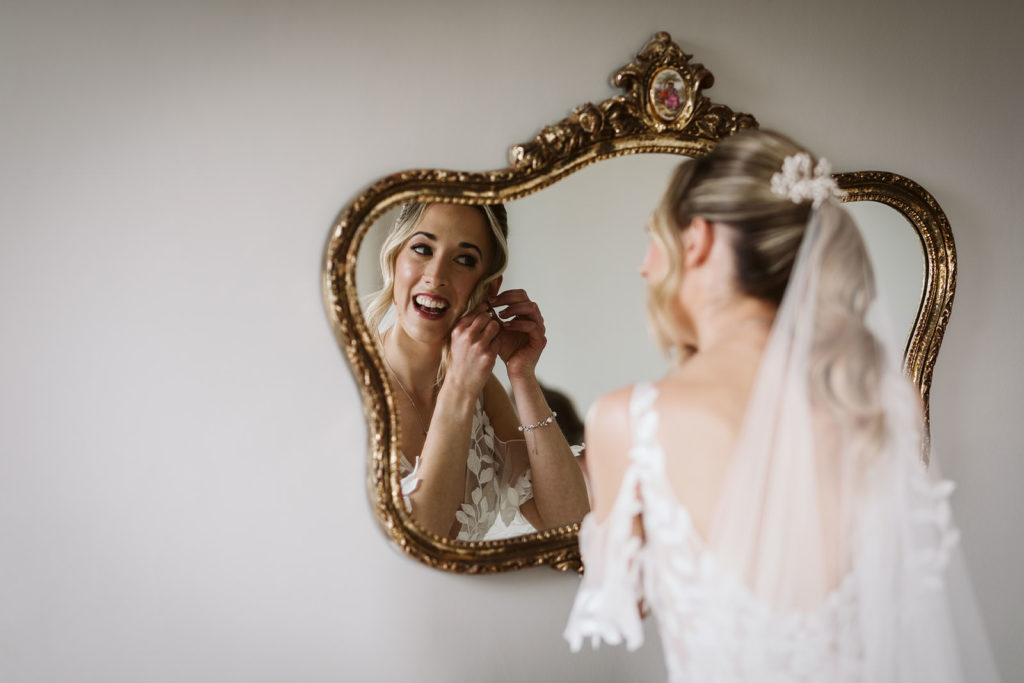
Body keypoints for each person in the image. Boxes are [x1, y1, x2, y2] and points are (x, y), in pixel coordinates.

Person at [564, 130, 1000, 681]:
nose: (644, 266)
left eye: (653, 239)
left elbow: (622, 597)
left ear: (696, 241)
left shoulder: (631, 420)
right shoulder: (877, 402)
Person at [365, 202, 589, 541]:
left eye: (464, 259)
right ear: (394, 257)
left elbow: (570, 524)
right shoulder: (350, 378)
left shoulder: (484, 391)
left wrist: (522, 374)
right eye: (422, 249)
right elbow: (419, 542)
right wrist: (458, 389)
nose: (436, 276)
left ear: (488, 288)